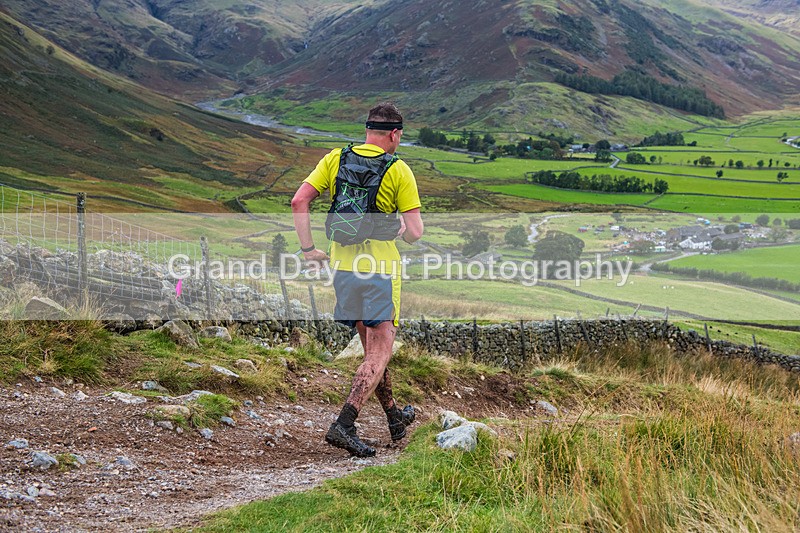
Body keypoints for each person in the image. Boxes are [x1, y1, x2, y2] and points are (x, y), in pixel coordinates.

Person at [291, 102, 424, 457]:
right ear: (394, 134)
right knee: (380, 352)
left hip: (343, 268)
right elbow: (415, 232)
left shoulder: (335, 159)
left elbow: (299, 201)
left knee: (372, 351)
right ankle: (344, 424)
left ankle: (394, 416)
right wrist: (399, 230)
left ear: (368, 129)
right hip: (380, 271)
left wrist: (308, 251)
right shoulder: (399, 169)